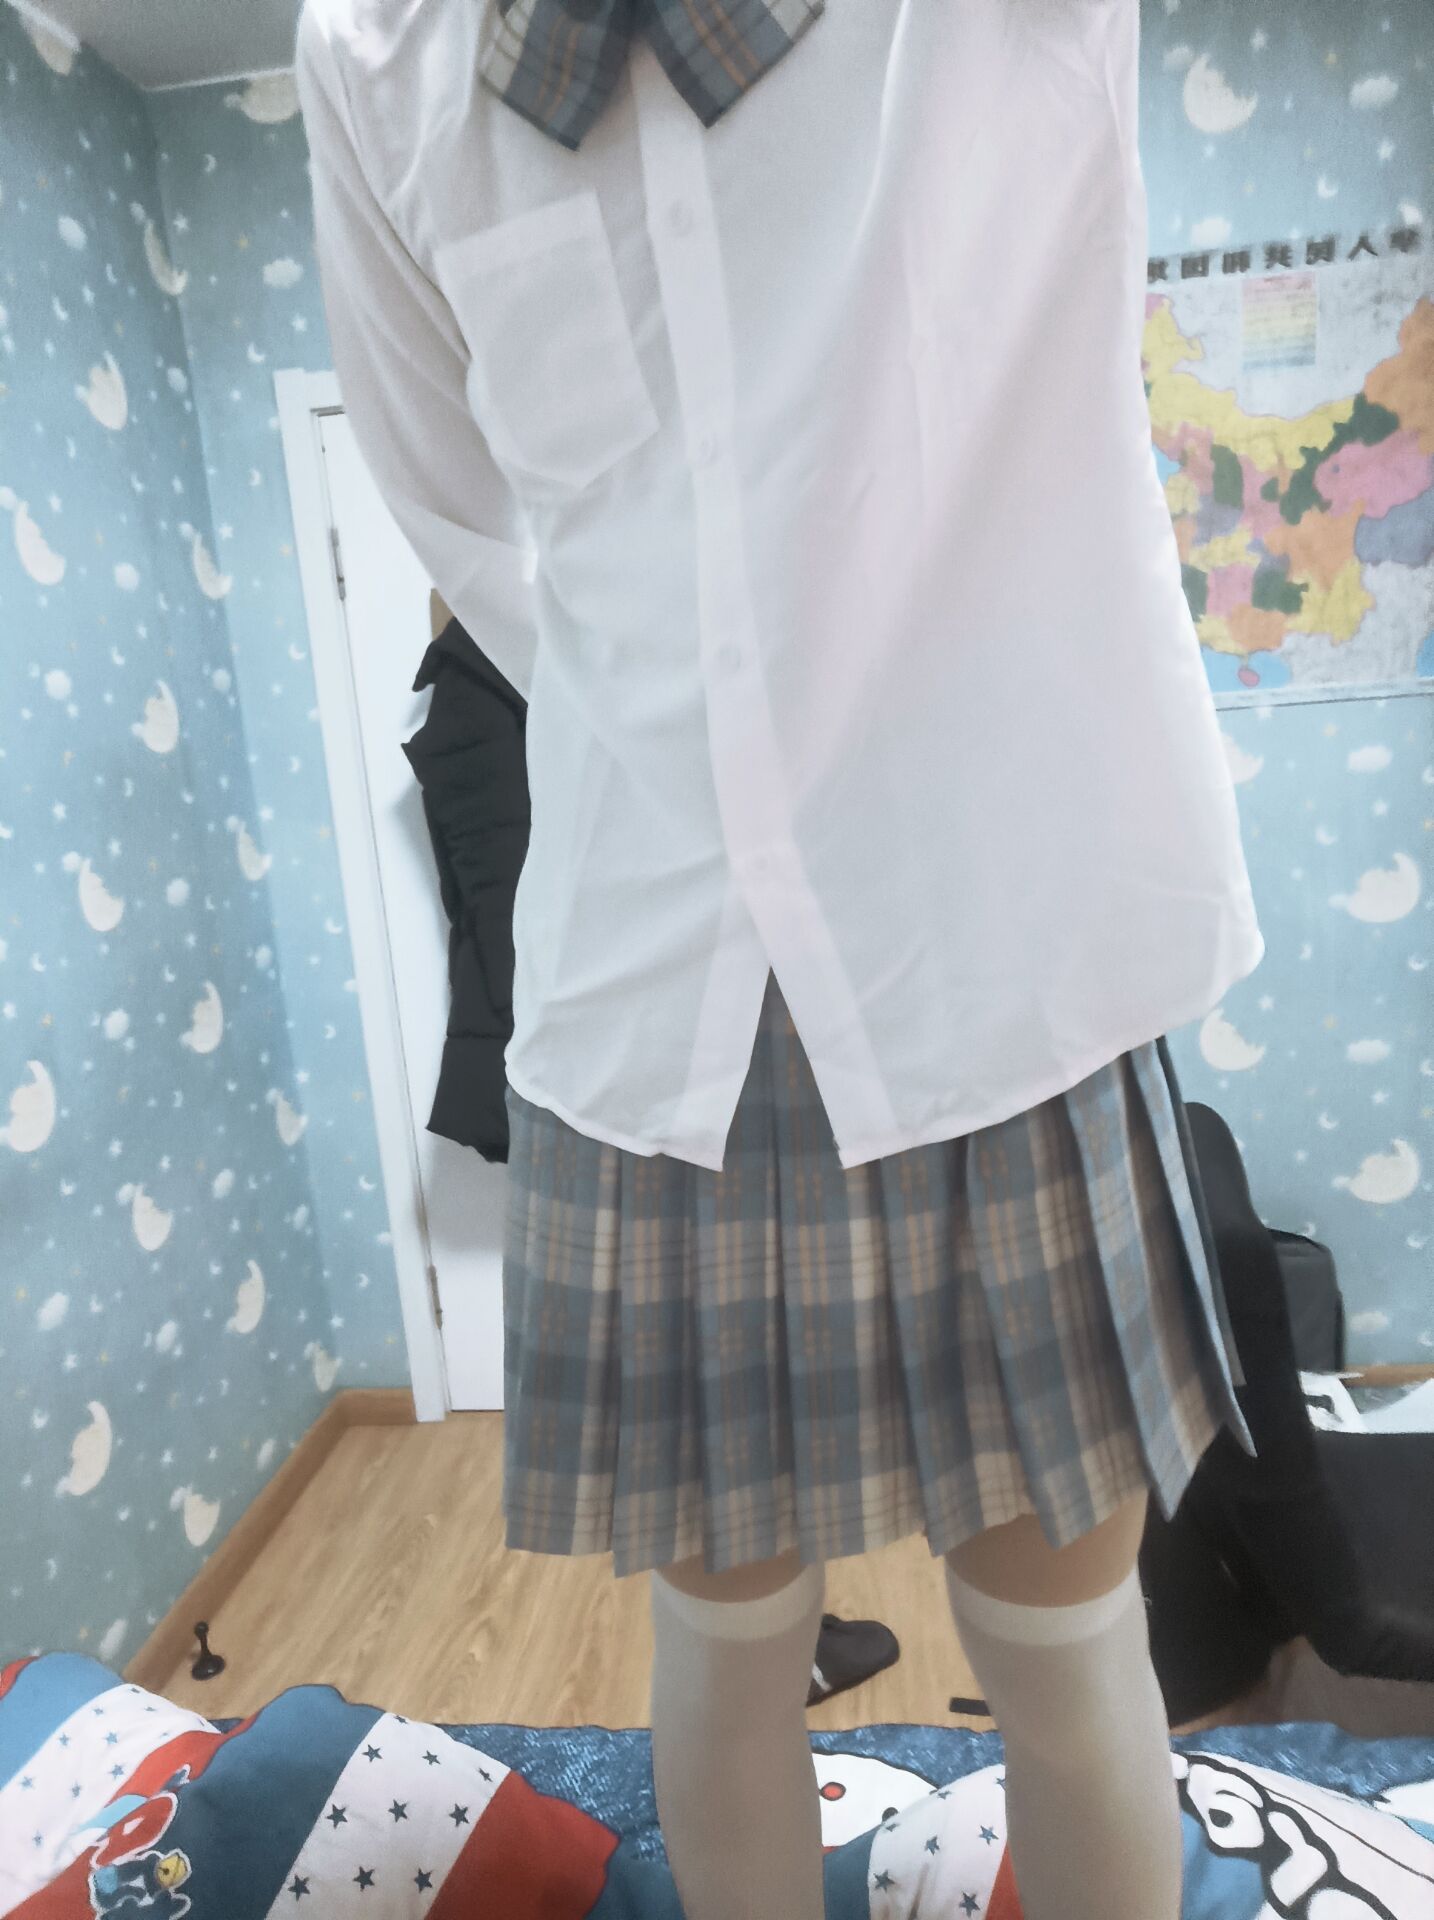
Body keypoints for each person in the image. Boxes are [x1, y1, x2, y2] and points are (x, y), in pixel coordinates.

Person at [294, 4, 1265, 1915]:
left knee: (1066, 1638)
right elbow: (457, 505)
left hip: (998, 960)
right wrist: (673, 728)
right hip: (655, 996)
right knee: (724, 1646)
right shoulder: (378, 50)